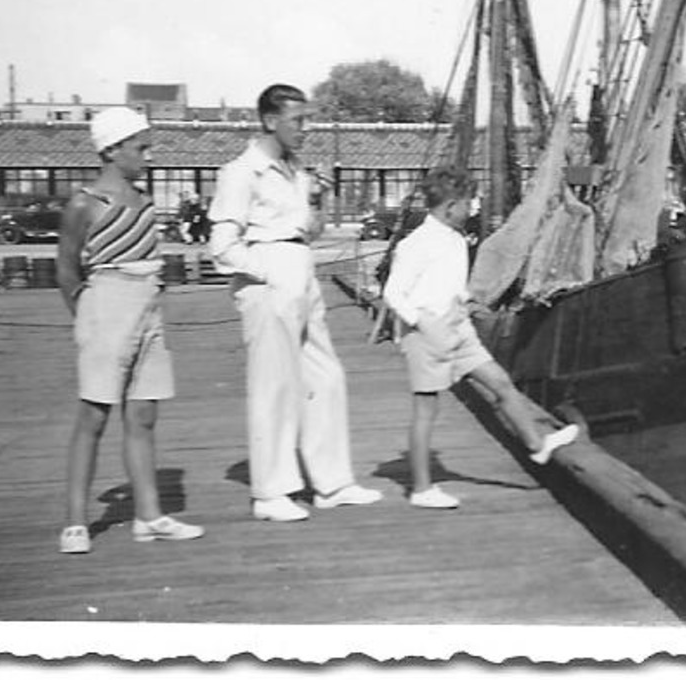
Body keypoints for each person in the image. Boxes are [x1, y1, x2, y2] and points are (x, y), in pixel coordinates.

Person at [208, 84, 382, 521]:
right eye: (298, 120)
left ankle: (332, 483)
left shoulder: (296, 171)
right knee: (274, 384)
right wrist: (269, 272)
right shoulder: (242, 172)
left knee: (326, 377)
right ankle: (270, 493)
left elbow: (309, 229)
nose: (306, 128)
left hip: (301, 268)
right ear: (270, 120)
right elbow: (221, 246)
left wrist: (317, 201)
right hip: (269, 274)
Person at [382, 165, 578, 509]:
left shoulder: (456, 240)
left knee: (501, 383)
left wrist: (464, 300)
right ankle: (422, 490)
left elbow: (447, 284)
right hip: (427, 331)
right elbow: (393, 293)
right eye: (468, 202)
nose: (472, 208)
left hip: (458, 326)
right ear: (450, 206)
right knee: (426, 408)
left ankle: (537, 446)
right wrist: (422, 322)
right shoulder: (416, 244)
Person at [55, 107, 204, 554]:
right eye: (141, 148)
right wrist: (86, 315)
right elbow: (66, 269)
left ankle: (149, 516)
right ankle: (76, 524)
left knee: (143, 414)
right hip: (106, 304)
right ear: (112, 149)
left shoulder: (144, 200)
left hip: (149, 307)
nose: (149, 155)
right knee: (95, 414)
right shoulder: (85, 202)